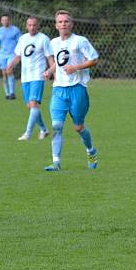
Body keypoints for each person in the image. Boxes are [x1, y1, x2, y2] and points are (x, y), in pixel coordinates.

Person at [43, 10, 99, 171]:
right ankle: (56, 162)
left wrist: (76, 67)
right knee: (56, 125)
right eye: (60, 22)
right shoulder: (53, 43)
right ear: (56, 25)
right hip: (59, 89)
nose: (63, 24)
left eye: (66, 21)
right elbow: (59, 62)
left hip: (77, 89)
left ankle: (91, 151)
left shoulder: (80, 41)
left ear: (71, 24)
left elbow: (94, 59)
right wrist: (49, 71)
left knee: (78, 127)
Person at [6, 17, 54, 141]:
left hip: (38, 76)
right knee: (31, 107)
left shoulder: (44, 39)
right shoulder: (22, 39)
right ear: (26, 26)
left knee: (33, 104)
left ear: (38, 26)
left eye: (34, 25)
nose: (32, 27)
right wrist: (10, 65)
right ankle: (44, 129)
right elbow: (18, 56)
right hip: (25, 77)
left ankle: (28, 134)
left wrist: (52, 72)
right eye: (29, 25)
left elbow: (50, 58)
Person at [0, 14, 21, 100]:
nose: (5, 22)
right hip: (2, 55)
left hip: (12, 54)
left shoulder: (15, 30)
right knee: (4, 74)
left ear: (9, 20)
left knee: (9, 70)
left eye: (6, 20)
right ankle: (7, 93)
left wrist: (19, 54)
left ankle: (12, 93)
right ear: (1, 21)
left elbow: (20, 43)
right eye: (3, 20)